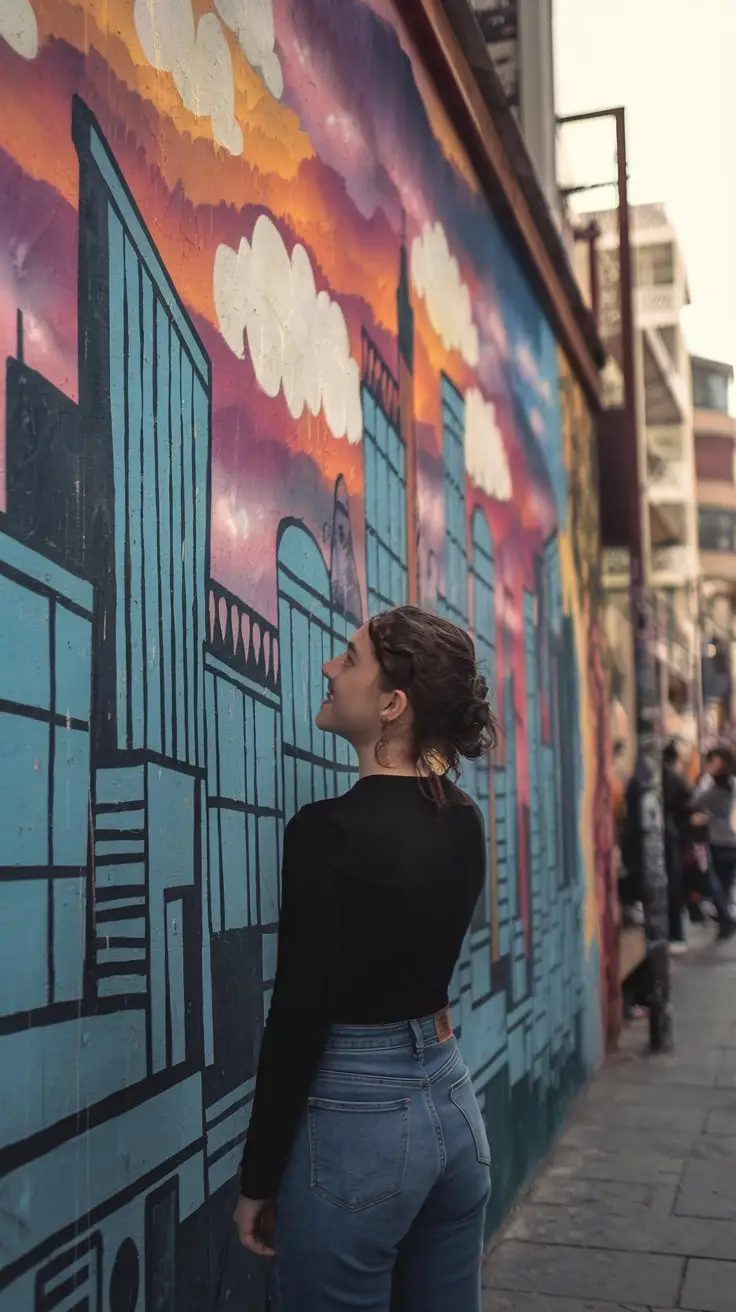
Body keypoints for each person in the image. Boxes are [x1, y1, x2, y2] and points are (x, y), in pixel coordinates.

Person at [233, 606, 496, 1311]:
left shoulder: (325, 833)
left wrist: (258, 1179)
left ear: (392, 704)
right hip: (452, 1108)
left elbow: (298, 1014)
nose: (327, 668)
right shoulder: (463, 819)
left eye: (347, 659)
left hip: (359, 1132)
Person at [693, 743, 736, 941]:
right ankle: (725, 920)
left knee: (717, 883)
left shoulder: (711, 788)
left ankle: (726, 919)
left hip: (721, 842)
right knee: (723, 884)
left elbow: (694, 802)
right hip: (726, 841)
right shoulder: (726, 786)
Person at [662, 740, 691, 953]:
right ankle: (676, 934)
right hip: (673, 837)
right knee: (673, 885)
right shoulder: (677, 780)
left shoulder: (653, 780)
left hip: (663, 836)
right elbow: (688, 808)